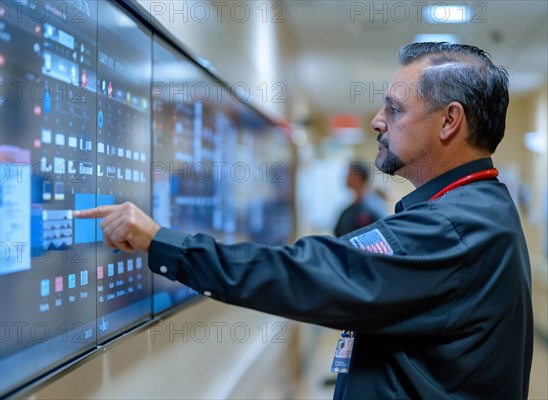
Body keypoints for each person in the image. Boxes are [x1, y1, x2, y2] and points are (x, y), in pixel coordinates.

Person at [74, 43, 533, 399]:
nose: (377, 121)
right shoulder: (477, 208)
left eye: (394, 109)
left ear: (449, 121)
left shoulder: (453, 228)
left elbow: (308, 271)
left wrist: (161, 242)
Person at [333, 161, 387, 237]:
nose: (346, 178)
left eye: (349, 174)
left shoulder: (374, 208)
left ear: (359, 177)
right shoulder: (346, 212)